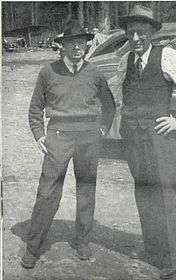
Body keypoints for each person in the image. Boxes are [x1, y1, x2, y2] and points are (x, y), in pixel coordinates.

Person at [117, 5, 176, 279]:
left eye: (141, 33)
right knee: (144, 193)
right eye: (131, 32)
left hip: (159, 139)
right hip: (134, 139)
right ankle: (153, 250)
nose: (135, 39)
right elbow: (119, 90)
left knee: (164, 195)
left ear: (151, 33)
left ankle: (170, 259)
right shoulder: (126, 62)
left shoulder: (167, 56)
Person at [21, 18, 116, 269]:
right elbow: (35, 109)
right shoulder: (48, 72)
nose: (77, 48)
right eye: (72, 43)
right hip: (58, 136)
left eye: (82, 43)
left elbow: (109, 106)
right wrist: (39, 134)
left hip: (88, 137)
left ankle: (83, 242)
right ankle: (33, 247)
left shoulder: (95, 73)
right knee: (47, 192)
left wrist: (102, 129)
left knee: (86, 191)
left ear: (86, 46)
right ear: (63, 46)